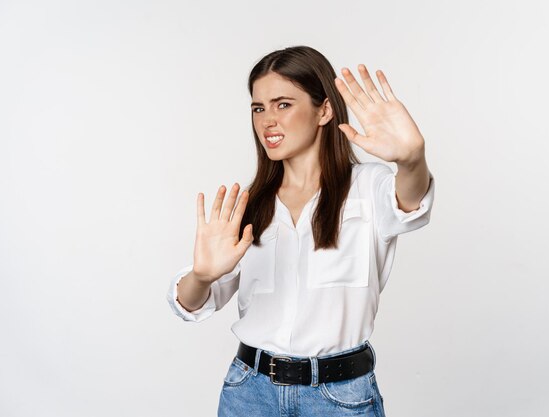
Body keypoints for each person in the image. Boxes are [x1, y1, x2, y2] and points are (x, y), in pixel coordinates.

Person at [166, 45, 435, 417]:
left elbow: (411, 199)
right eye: (258, 108)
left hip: (339, 399)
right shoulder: (250, 205)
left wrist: (413, 158)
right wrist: (201, 275)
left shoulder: (368, 188)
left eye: (283, 104)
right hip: (249, 394)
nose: (266, 121)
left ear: (324, 109)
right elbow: (192, 303)